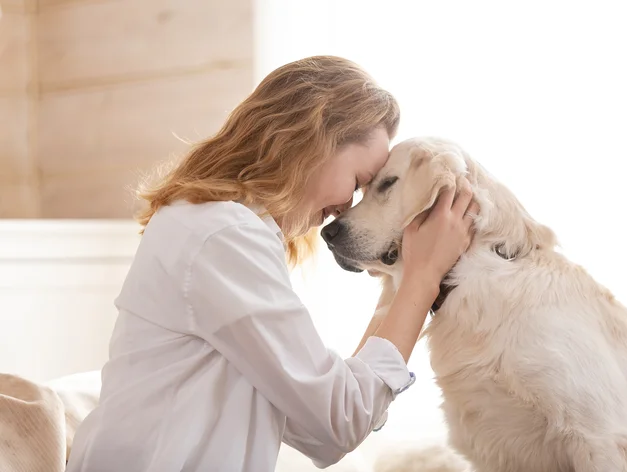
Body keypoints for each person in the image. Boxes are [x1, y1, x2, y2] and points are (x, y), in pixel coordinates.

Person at [66, 56, 477, 472]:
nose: (345, 209)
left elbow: (318, 422)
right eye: (357, 182)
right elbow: (339, 421)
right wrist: (422, 280)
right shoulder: (222, 235)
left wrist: (403, 278)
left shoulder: (217, 227)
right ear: (312, 141)